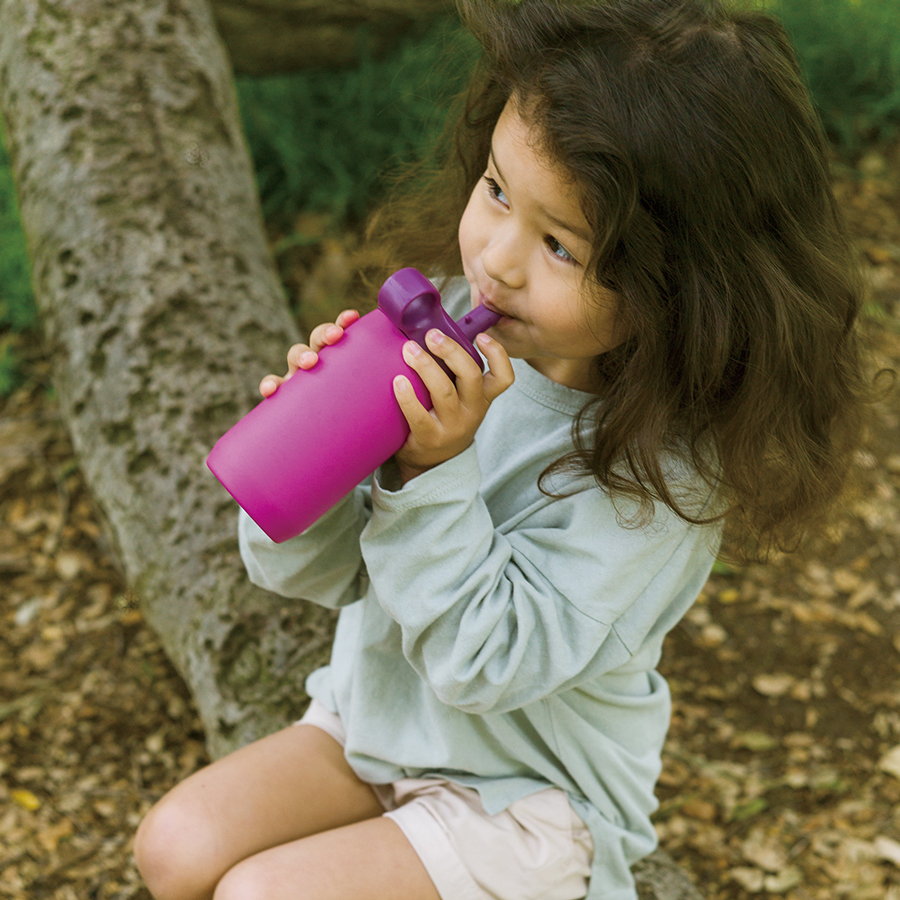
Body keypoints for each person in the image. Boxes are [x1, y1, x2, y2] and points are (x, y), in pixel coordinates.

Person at [134, 1, 870, 899]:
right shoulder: (458, 327)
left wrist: (431, 472)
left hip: (524, 801)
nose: (498, 260)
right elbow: (320, 575)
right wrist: (317, 452)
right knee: (175, 847)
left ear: (681, 287)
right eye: (495, 190)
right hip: (380, 728)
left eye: (561, 245)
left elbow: (487, 665)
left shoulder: (661, 484)